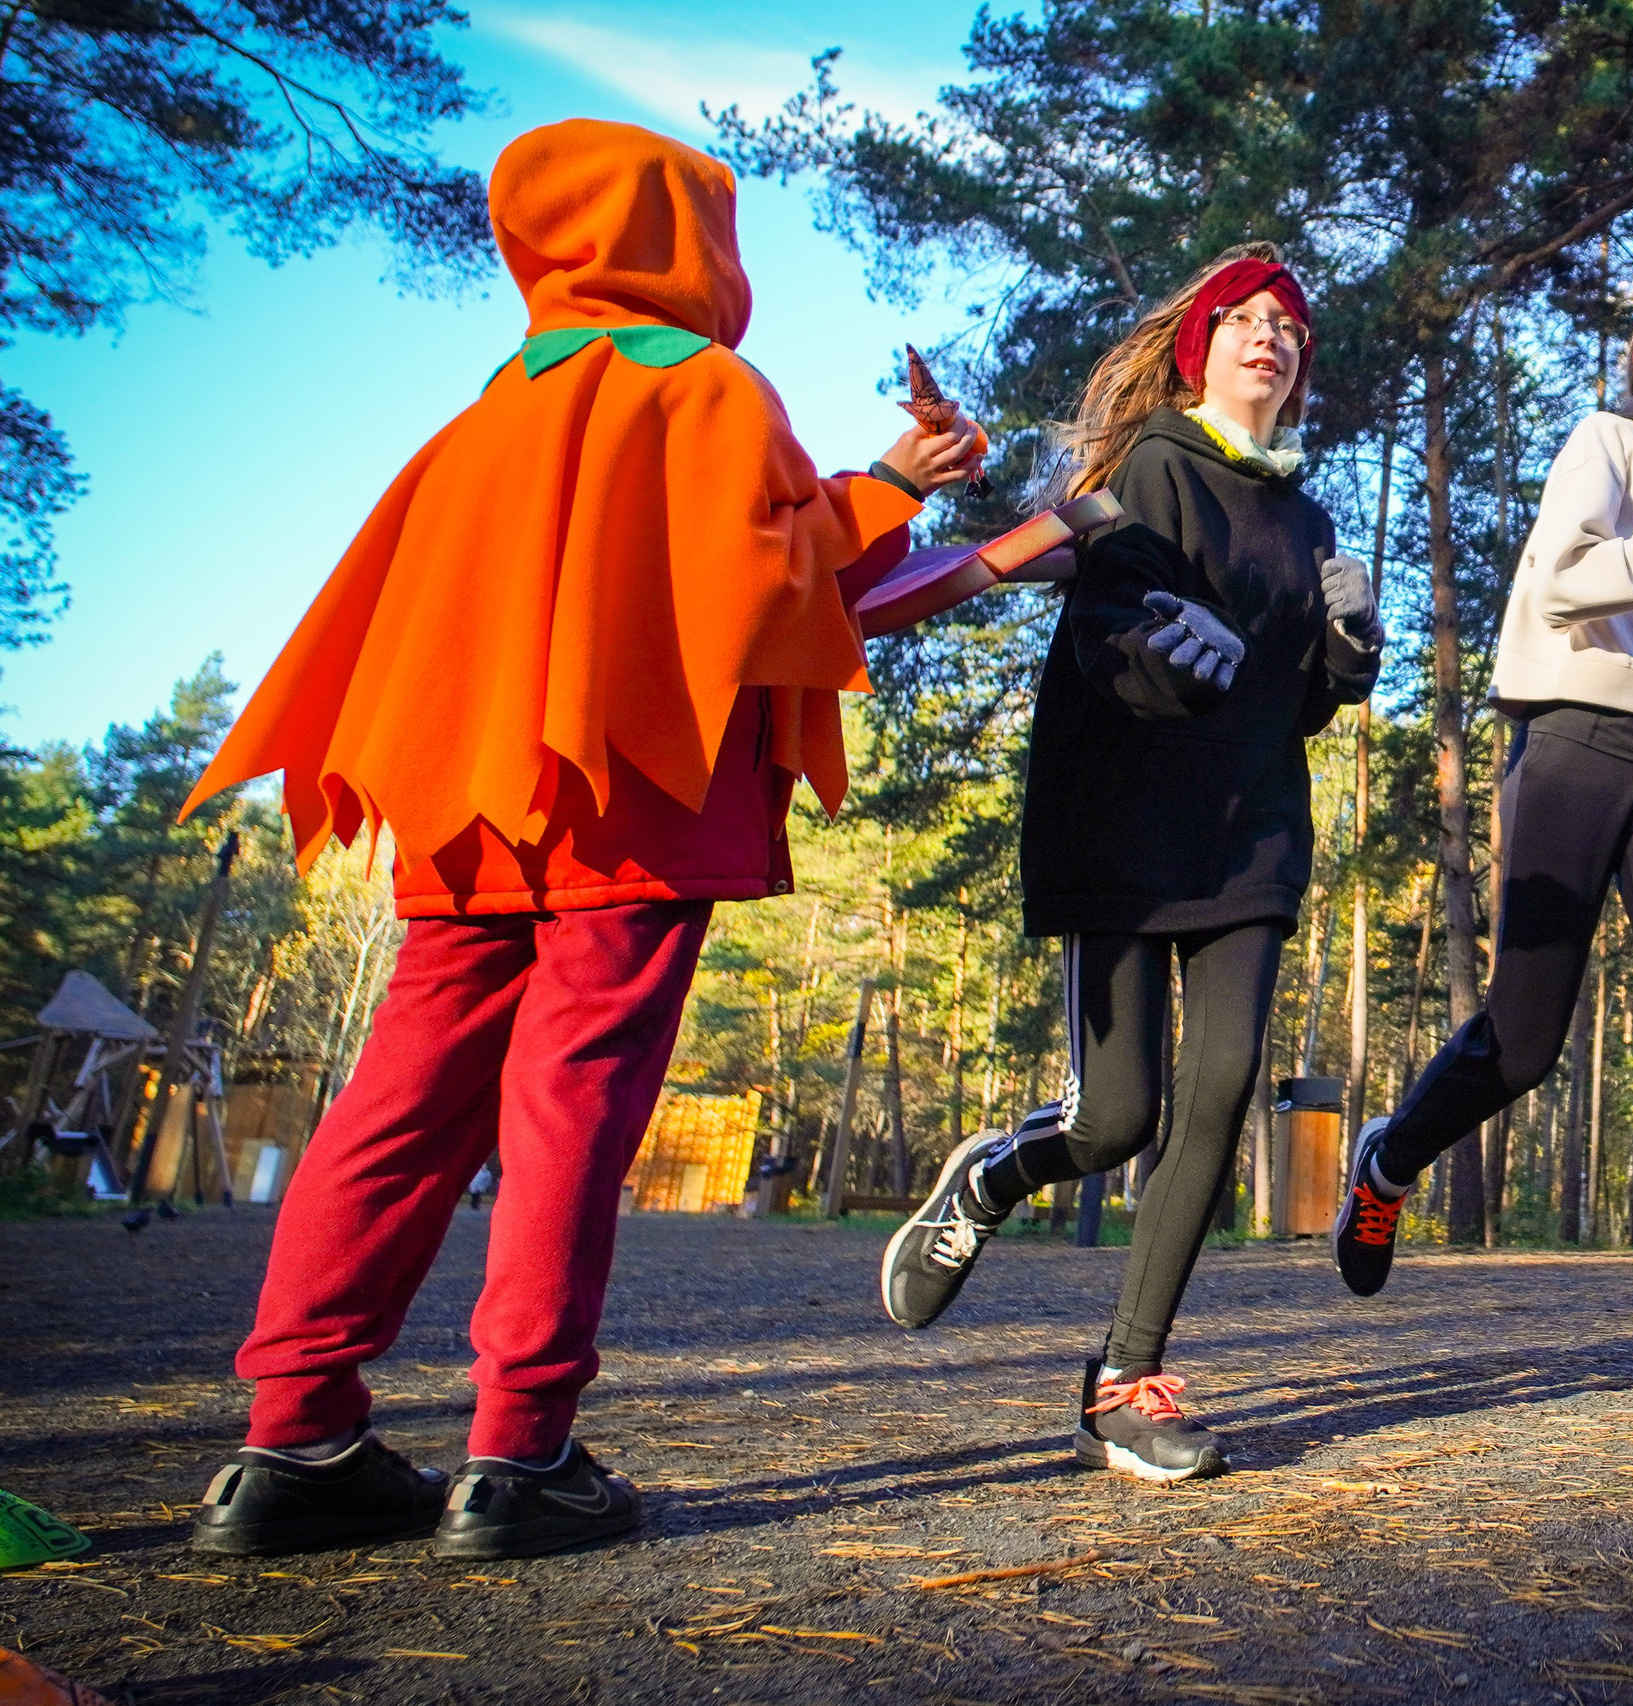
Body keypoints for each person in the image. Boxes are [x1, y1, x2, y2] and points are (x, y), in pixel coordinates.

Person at [180, 119, 975, 1560]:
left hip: (471, 802)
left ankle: (290, 1438)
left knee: (398, 1104)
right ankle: (519, 1452)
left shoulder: (486, 416)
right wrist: (899, 490)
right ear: (690, 243)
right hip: (637, 797)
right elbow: (770, 583)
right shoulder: (709, 388)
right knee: (571, 1107)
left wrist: (892, 473)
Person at [878, 243, 1382, 1482]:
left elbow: (1296, 701)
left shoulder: (1309, 517)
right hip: (1132, 823)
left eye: (1287, 324)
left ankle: (1125, 1380)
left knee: (1220, 1088)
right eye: (1243, 317)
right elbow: (1110, 627)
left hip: (1252, 831)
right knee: (1116, 1117)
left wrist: (1348, 650)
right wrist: (1161, 645)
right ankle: (990, 1176)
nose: (1269, 334)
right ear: (1198, 350)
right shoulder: (1152, 465)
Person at [1325, 296, 1633, 1442]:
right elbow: (1564, 584)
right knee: (1525, 1039)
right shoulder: (1609, 438)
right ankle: (1389, 1160)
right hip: (1576, 739)